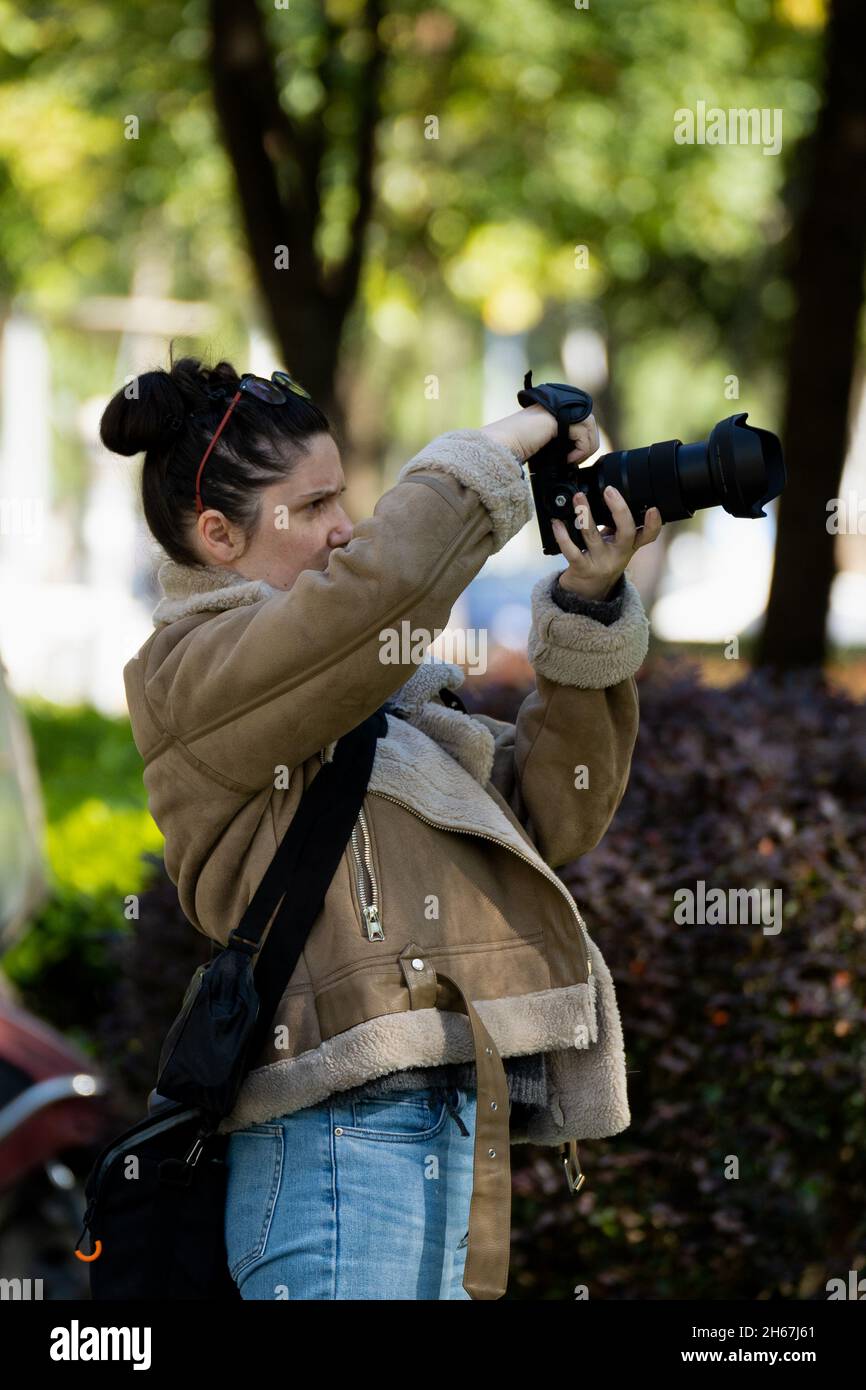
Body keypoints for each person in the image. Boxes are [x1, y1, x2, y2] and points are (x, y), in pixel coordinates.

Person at [101, 354, 662, 1300]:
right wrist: (507, 443)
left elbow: (555, 812)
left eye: (344, 498)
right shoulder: (191, 678)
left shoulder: (383, 700)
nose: (344, 528)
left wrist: (587, 604)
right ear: (217, 534)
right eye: (312, 506)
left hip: (446, 1136)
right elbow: (377, 591)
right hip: (330, 1152)